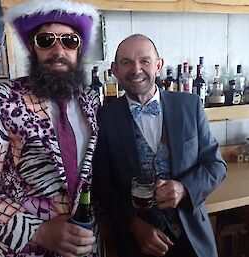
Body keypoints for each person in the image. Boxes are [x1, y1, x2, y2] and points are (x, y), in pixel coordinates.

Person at [0, 0, 101, 256]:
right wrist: (39, 231)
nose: (58, 50)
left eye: (70, 41)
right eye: (46, 40)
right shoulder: (1, 99)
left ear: (79, 50)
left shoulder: (90, 101)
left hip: (85, 245)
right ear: (33, 49)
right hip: (26, 249)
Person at [92, 34, 227, 257]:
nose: (136, 69)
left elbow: (216, 165)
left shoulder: (189, 105)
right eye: (126, 62)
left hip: (192, 237)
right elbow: (103, 185)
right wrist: (134, 225)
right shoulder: (104, 118)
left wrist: (184, 189)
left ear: (158, 65)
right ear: (115, 70)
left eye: (145, 61)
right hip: (138, 242)